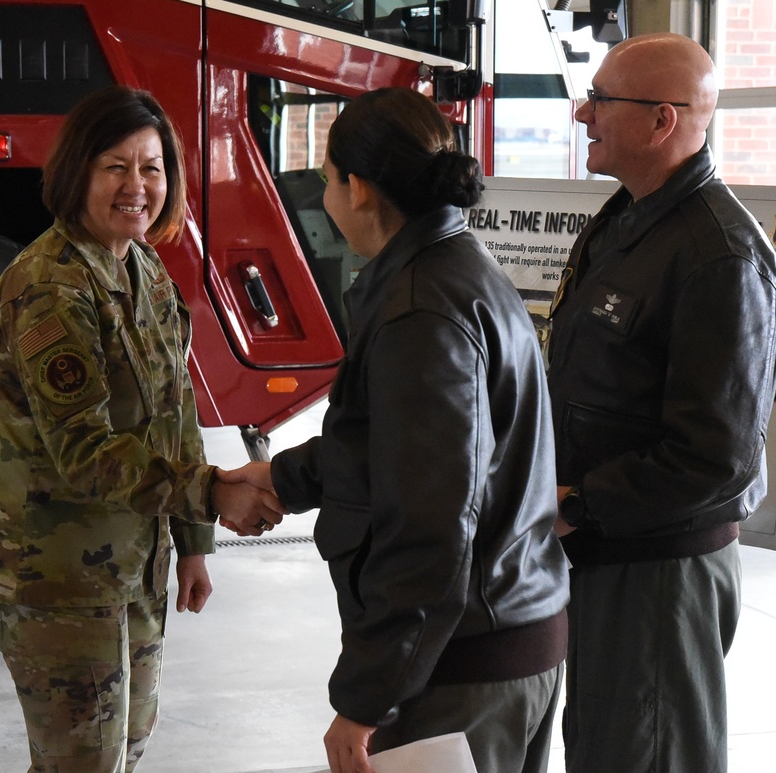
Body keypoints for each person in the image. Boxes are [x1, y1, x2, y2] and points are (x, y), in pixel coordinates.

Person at [222, 87, 570, 773]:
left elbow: (431, 521)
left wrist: (367, 696)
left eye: (325, 180)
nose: (324, 196)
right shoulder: (454, 266)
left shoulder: (421, 310)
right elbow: (400, 447)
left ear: (359, 189)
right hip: (501, 636)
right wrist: (285, 478)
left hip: (462, 663)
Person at [0, 85, 285, 773]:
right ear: (78, 169)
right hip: (56, 579)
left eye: (152, 167)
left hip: (130, 567)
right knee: (80, 763)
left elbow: (175, 411)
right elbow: (86, 454)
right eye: (116, 166)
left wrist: (194, 543)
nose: (137, 185)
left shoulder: (143, 271)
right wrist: (215, 494)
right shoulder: (49, 287)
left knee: (122, 751)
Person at [546, 33, 776, 773]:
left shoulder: (721, 256)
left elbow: (714, 457)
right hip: (604, 552)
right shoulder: (626, 221)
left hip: (658, 573)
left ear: (662, 121)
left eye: (602, 100)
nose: (584, 114)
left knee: (647, 755)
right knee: (602, 748)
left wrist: (582, 502)